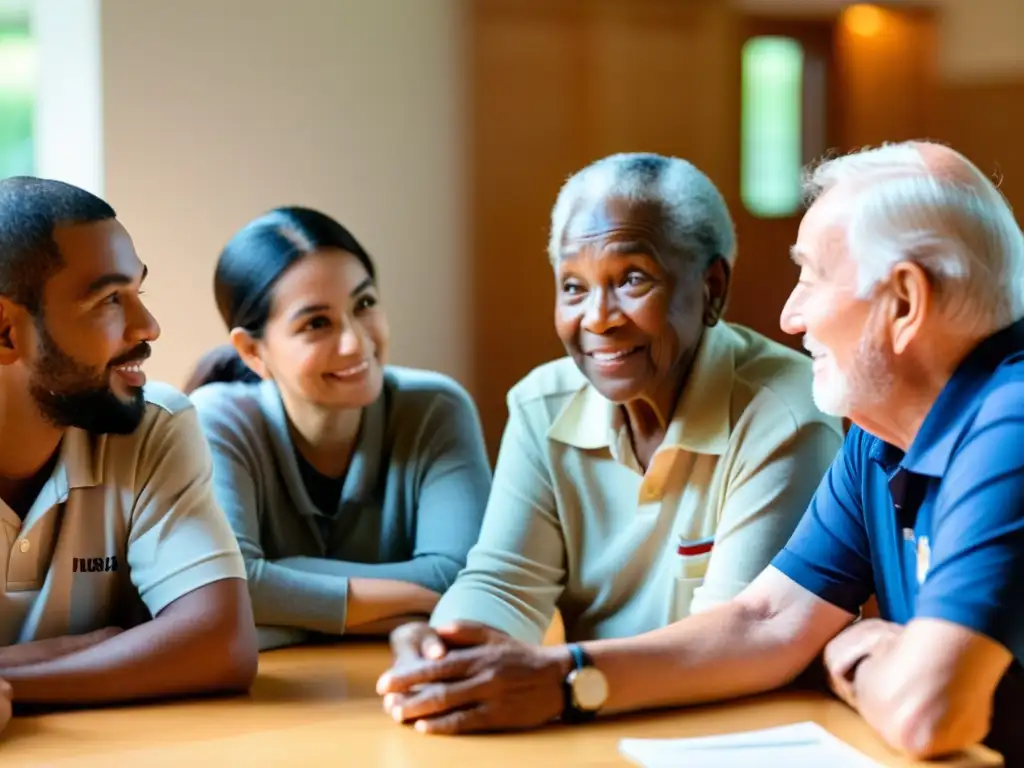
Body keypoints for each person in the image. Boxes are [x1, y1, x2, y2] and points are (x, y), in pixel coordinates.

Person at [376, 141, 1024, 761]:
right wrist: (555, 677)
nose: (790, 317)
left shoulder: (1011, 420)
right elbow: (766, 623)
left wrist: (848, 651)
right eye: (573, 286)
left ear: (904, 302)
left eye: (812, 278)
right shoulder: (879, 435)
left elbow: (926, 710)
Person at [378, 151, 842, 692]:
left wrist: (563, 680)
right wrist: (450, 648)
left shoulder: (785, 413)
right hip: (591, 709)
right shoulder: (542, 405)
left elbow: (738, 640)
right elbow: (505, 583)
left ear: (712, 289)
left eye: (632, 279)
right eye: (573, 286)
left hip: (732, 722)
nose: (597, 318)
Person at [0, 177, 257, 713]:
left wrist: (15, 681)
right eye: (109, 299)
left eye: (139, 292)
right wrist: (79, 658)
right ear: (6, 332)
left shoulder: (154, 426)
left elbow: (222, 645)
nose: (149, 326)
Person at [187, 206, 492, 650]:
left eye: (364, 304)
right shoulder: (218, 420)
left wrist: (279, 592)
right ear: (253, 350)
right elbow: (219, 587)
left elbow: (464, 578)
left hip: (402, 678)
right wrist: (416, 603)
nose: (356, 343)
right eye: (316, 323)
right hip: (273, 703)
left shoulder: (436, 409)